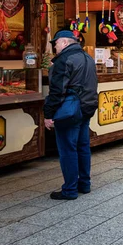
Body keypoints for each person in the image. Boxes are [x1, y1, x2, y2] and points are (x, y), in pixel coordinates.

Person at [44, 30, 98, 200]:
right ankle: (84, 184)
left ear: (65, 43)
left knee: (68, 149)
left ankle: (69, 190)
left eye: (56, 43)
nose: (55, 46)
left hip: (70, 110)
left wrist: (48, 114)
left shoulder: (63, 60)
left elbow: (57, 91)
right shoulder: (87, 58)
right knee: (82, 147)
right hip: (86, 108)